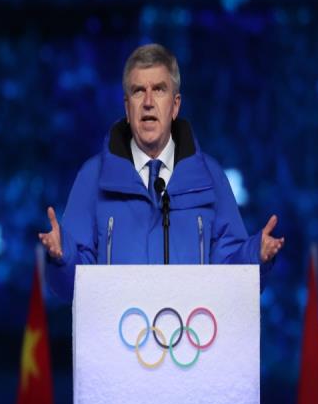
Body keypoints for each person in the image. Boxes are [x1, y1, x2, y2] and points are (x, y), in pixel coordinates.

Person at [39, 43, 284, 303]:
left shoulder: (210, 177)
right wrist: (63, 256)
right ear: (127, 107)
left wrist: (255, 256)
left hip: (192, 328)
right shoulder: (92, 176)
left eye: (158, 90)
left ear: (175, 106)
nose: (148, 102)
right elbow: (73, 287)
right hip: (116, 329)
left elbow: (229, 273)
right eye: (138, 91)